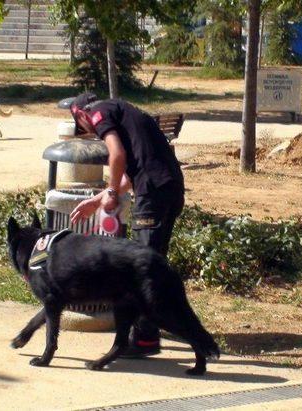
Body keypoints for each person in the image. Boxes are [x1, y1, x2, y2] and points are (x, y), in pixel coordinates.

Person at [69, 93, 185, 358]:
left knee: (140, 267)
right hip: (168, 188)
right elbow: (131, 177)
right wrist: (98, 200)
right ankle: (154, 330)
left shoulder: (98, 113)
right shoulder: (125, 112)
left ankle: (144, 339)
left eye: (81, 125)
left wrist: (110, 191)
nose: (88, 131)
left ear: (81, 114)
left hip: (153, 193)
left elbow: (116, 154)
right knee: (152, 264)